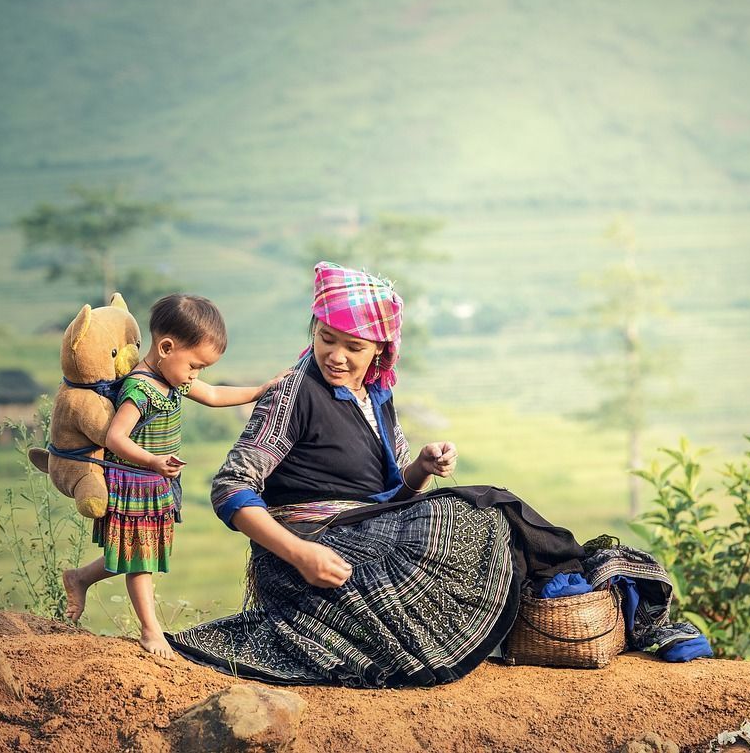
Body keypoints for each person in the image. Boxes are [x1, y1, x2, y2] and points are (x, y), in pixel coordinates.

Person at [168, 263, 702, 685]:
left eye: (352, 347)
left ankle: (609, 602)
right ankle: (604, 594)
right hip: (311, 550)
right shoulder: (291, 392)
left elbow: (388, 496)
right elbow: (231, 485)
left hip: (368, 533)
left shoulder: (378, 397)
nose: (335, 355)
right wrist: (300, 554)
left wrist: (420, 469)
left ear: (379, 350)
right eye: (326, 338)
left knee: (485, 525)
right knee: (480, 511)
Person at [63, 293, 286, 658]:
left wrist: (260, 391)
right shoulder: (141, 388)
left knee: (139, 551)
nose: (197, 376)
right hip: (136, 482)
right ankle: (151, 632)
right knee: (141, 560)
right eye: (195, 366)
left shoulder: (172, 378)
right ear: (167, 347)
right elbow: (116, 437)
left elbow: (213, 394)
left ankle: (81, 577)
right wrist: (152, 461)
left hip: (156, 483)